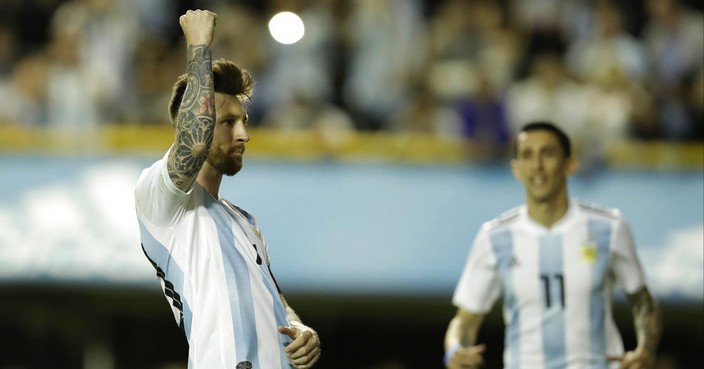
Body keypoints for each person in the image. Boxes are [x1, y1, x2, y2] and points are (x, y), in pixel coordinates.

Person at [134, 10, 321, 369]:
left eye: (244, 122)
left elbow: (276, 301)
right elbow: (193, 141)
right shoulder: (160, 198)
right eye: (228, 123)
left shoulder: (246, 223)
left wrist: (298, 327)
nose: (243, 134)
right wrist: (199, 45)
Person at [443, 122, 661, 369]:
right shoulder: (494, 237)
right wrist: (454, 350)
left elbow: (642, 301)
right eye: (527, 155)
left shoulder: (609, 227)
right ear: (516, 169)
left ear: (570, 164)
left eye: (547, 153)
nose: (537, 165)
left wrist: (645, 350)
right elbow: (465, 320)